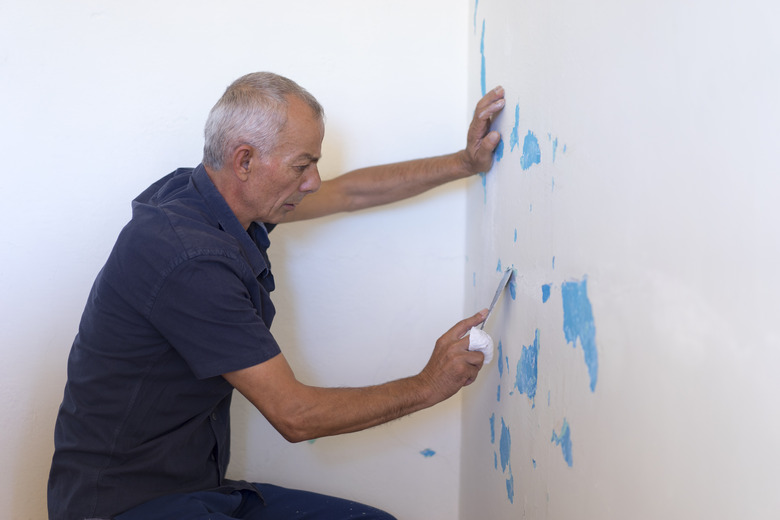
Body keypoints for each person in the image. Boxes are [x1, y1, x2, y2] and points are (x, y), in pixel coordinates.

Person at [48, 72, 506, 520]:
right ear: (244, 159)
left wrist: (465, 162)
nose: (312, 182)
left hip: (193, 491)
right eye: (302, 165)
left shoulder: (206, 196)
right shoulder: (190, 258)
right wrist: (429, 384)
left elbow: (350, 192)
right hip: (122, 506)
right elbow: (296, 415)